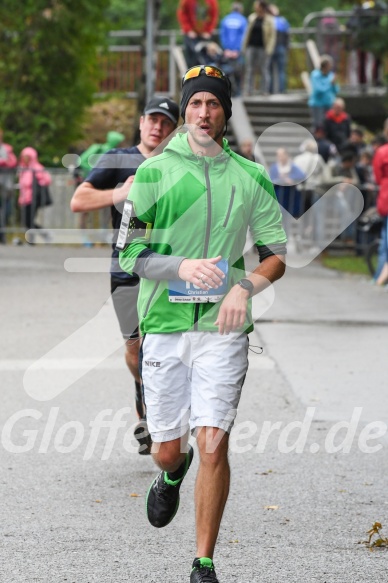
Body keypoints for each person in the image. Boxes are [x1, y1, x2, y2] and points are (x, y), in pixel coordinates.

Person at [118, 65, 287, 582]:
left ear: (224, 113)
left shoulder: (250, 176)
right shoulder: (154, 174)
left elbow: (275, 254)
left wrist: (244, 287)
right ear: (184, 112)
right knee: (171, 449)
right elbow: (128, 251)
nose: (204, 112)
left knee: (214, 439)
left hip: (222, 328)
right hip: (166, 323)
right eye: (195, 104)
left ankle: (203, 563)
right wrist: (178, 267)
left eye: (213, 104)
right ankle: (171, 473)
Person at [71, 97, 180, 454]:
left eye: (166, 123)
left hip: (167, 266)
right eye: (153, 119)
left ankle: (156, 417)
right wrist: (120, 192)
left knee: (162, 344)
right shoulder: (118, 159)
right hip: (126, 265)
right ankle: (142, 387)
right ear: (141, 121)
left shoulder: (178, 163)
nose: (157, 128)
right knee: (135, 349)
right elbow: (79, 200)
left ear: (174, 129)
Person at [78, 131, 125, 246]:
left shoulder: (116, 153)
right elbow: (82, 161)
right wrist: (96, 172)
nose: (120, 144)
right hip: (93, 184)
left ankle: (103, 236)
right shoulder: (98, 148)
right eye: (119, 142)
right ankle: (84, 238)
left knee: (107, 213)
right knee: (85, 212)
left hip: (106, 186)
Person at [17, 147, 52, 244]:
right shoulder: (23, 168)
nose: (25, 159)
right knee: (26, 221)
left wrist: (40, 182)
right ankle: (35, 238)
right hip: (25, 198)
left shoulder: (37, 168)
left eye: (27, 157)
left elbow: (47, 180)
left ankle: (35, 238)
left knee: (29, 220)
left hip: (34, 198)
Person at [269, 147, 305, 237]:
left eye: (282, 155)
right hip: (278, 196)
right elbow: (271, 179)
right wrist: (282, 180)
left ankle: (287, 236)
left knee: (287, 218)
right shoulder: (274, 167)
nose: (280, 157)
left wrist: (291, 179)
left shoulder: (292, 166)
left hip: (289, 196)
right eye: (278, 155)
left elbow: (302, 175)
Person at [242, 1, 276, 96]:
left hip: (263, 48)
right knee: (250, 69)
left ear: (261, 7)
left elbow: (272, 36)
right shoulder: (252, 17)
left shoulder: (269, 20)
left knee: (263, 69)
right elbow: (247, 33)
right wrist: (244, 46)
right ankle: (248, 90)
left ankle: (264, 91)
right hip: (251, 47)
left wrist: (269, 49)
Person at [177, 0, 219, 69]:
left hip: (205, 35)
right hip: (191, 35)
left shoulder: (212, 1)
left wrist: (208, 31)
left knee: (207, 59)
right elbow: (182, 13)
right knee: (191, 60)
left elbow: (214, 15)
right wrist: (188, 30)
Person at [219, 2, 247, 96]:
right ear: (240, 10)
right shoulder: (243, 20)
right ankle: (238, 93)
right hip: (237, 52)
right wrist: (238, 50)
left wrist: (226, 49)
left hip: (227, 52)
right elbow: (244, 37)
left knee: (226, 72)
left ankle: (227, 93)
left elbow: (223, 35)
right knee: (238, 73)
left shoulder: (225, 19)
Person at [372, 118, 388, 285]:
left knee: (385, 239)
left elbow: (377, 177)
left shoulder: (382, 152)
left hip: (386, 196)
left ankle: (379, 276)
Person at [308, 54, 339, 129]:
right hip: (318, 105)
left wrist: (334, 84)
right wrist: (330, 84)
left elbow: (336, 90)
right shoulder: (315, 75)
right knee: (318, 125)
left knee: (328, 126)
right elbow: (318, 90)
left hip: (328, 104)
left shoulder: (331, 75)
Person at [0, 128, 17, 244]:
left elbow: (13, 162)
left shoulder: (7, 148)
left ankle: (2, 235)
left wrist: (4, 162)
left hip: (5, 185)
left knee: (6, 211)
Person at [268, 4, 290, 94]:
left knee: (269, 70)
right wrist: (287, 47)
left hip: (271, 48)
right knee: (281, 70)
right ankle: (282, 90)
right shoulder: (283, 21)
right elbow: (287, 34)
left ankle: (270, 90)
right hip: (281, 47)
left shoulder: (269, 21)